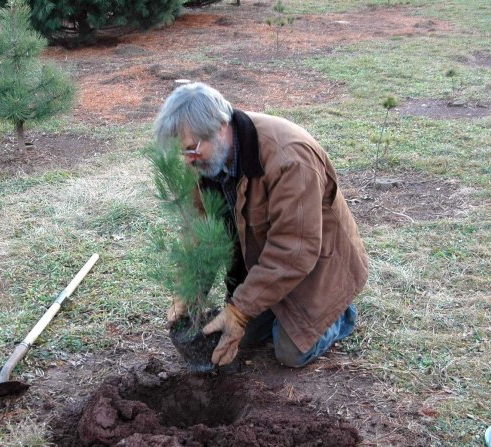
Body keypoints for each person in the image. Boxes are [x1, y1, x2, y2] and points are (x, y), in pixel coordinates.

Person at [152, 82, 368, 368]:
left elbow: (294, 250)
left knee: (290, 354)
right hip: (263, 258)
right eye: (182, 153)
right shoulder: (205, 161)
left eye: (192, 149)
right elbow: (201, 230)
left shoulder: (289, 159)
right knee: (247, 338)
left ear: (219, 127)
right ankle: (276, 310)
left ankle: (339, 313)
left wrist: (240, 312)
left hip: (316, 265)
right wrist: (188, 290)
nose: (187, 160)